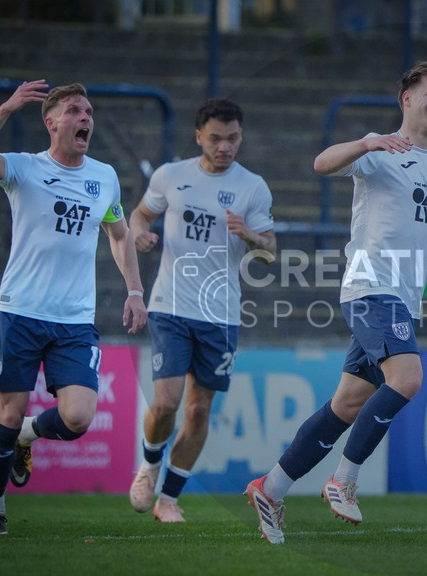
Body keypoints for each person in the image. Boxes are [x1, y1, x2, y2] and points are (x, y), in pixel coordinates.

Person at [244, 61, 427, 545]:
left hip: (405, 296)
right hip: (369, 285)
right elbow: (320, 164)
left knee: (347, 403)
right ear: (406, 97)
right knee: (409, 378)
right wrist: (366, 142)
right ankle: (344, 479)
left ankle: (271, 487)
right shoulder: (378, 150)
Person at [0, 81, 148, 535]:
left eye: (88, 111)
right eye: (75, 111)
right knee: (7, 411)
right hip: (21, 311)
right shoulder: (24, 169)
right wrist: (6, 107)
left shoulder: (103, 176)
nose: (86, 117)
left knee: (79, 417)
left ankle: (28, 436)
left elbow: (119, 234)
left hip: (75, 320)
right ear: (52, 123)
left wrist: (135, 291)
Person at [127, 98, 276, 523]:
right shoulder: (171, 176)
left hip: (222, 312)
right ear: (198, 137)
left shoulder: (253, 187)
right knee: (167, 401)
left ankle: (169, 499)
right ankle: (149, 465)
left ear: (241, 137)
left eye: (232, 138)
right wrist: (140, 234)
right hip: (171, 304)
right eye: (216, 138)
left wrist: (248, 235)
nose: (225, 146)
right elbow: (139, 216)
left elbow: (270, 253)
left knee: (199, 409)